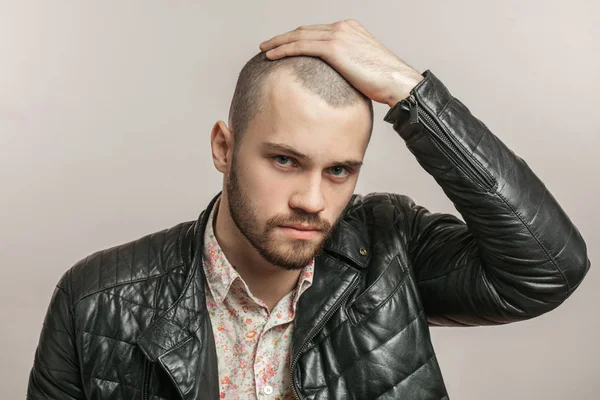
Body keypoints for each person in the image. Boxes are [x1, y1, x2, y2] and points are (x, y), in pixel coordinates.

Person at [27, 19, 590, 400]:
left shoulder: (390, 249)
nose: (313, 201)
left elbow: (548, 268)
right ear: (224, 147)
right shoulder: (96, 299)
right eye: (285, 160)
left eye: (339, 170)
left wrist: (409, 93)